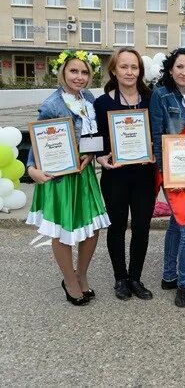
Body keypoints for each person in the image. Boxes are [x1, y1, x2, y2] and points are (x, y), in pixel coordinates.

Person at [26, 49, 110, 305]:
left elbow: (91, 137)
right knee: (62, 231)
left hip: (83, 174)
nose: (79, 77)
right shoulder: (53, 104)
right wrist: (31, 169)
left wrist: (92, 156)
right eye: (74, 71)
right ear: (63, 72)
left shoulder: (89, 99)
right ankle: (69, 279)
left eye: (84, 72)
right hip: (60, 175)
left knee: (93, 229)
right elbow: (39, 139)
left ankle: (81, 274)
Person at [94, 47, 156, 301]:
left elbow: (161, 133)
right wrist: (100, 156)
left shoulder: (152, 99)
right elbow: (95, 138)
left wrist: (156, 150)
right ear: (114, 70)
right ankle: (120, 279)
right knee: (117, 227)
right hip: (115, 176)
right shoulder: (101, 103)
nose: (129, 72)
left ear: (140, 71)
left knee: (141, 227)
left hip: (144, 174)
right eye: (124, 66)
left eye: (134, 67)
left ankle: (135, 278)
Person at [149, 46, 185, 308]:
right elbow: (157, 138)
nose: (184, 72)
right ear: (171, 69)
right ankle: (184, 283)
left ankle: (168, 275)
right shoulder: (160, 95)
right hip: (173, 174)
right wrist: (165, 173)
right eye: (180, 67)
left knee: (176, 223)